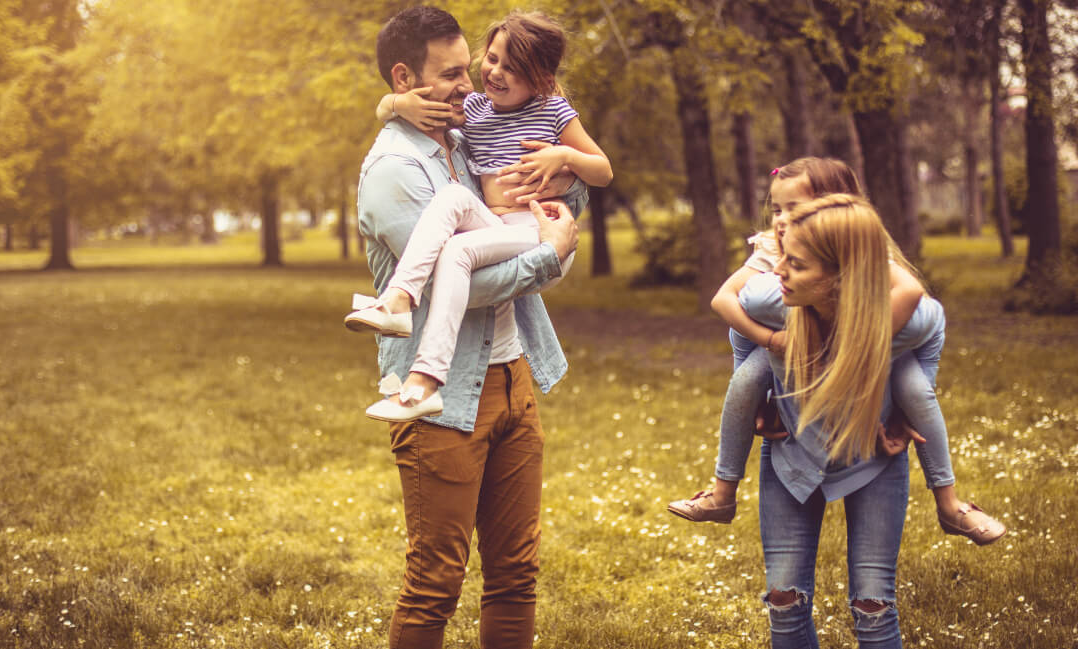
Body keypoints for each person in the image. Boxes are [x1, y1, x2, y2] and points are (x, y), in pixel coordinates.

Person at [356, 7, 585, 648]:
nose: (472, 85)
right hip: (442, 397)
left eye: (469, 69)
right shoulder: (394, 174)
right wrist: (551, 252)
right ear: (406, 76)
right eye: (453, 74)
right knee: (436, 580)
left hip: (512, 377)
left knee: (516, 573)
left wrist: (563, 197)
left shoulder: (461, 137)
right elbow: (473, 287)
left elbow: (546, 156)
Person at [668, 157, 1004, 546]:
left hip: (869, 344)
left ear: (835, 208)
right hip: (788, 344)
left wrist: (860, 345)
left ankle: (950, 504)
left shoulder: (863, 244)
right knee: (745, 379)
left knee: (916, 391)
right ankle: (722, 494)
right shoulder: (768, 248)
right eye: (777, 208)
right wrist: (772, 342)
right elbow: (724, 300)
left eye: (795, 208)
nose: (781, 218)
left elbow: (913, 298)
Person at [347, 10, 611, 422]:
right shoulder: (455, 128)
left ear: (539, 79)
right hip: (461, 382)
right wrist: (395, 103)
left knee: (457, 250)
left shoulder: (533, 116)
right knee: (454, 216)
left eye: (513, 68)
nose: (484, 79)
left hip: (525, 290)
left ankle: (417, 358)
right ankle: (402, 315)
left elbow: (600, 171)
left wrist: (566, 168)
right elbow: (474, 285)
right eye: (489, 60)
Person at [740, 193, 961, 647]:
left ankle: (953, 505)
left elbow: (933, 324)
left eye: (796, 265)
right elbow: (731, 309)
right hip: (793, 458)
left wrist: (904, 408)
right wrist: (762, 393)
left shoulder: (903, 319)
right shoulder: (771, 300)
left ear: (841, 278)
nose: (777, 271)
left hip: (871, 456)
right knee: (783, 599)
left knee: (873, 607)